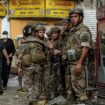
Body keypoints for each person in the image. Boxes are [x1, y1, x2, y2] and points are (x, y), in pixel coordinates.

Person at [17, 25, 49, 105]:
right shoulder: (40, 42)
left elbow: (20, 55)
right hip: (38, 67)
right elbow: (46, 55)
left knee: (29, 85)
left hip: (28, 68)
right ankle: (35, 99)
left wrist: (19, 67)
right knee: (37, 84)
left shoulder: (24, 42)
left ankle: (32, 101)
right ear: (34, 32)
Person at [66, 8, 92, 103]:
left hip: (78, 64)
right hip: (71, 64)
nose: (73, 19)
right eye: (71, 17)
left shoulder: (83, 30)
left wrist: (79, 64)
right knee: (72, 90)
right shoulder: (73, 30)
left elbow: (86, 47)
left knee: (80, 91)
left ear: (81, 18)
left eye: (75, 16)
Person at [47, 27, 64, 99]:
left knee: (59, 79)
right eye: (53, 33)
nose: (54, 35)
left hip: (59, 63)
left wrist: (57, 52)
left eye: (55, 33)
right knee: (52, 79)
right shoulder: (50, 41)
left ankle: (60, 94)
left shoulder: (60, 41)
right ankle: (53, 94)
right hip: (51, 63)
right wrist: (51, 51)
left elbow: (62, 51)